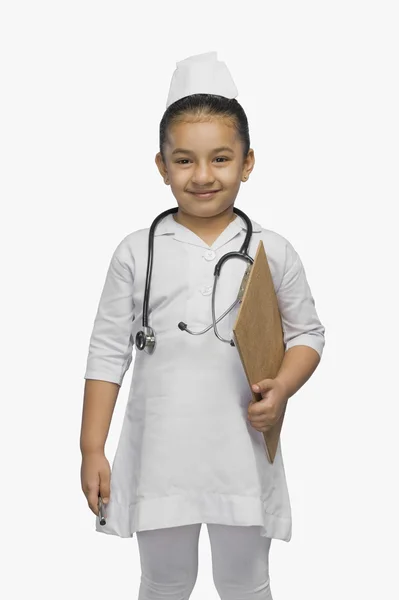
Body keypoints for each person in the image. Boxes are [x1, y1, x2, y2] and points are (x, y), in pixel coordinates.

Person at [80, 51, 326, 600]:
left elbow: (308, 334)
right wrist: (91, 448)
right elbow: (106, 351)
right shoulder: (135, 252)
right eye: (184, 161)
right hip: (160, 449)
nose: (203, 175)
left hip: (241, 443)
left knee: (244, 583)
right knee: (164, 583)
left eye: (220, 158)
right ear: (162, 166)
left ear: (247, 162)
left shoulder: (272, 250)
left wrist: (282, 388)